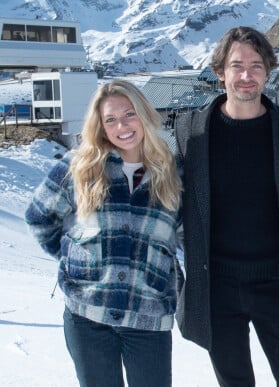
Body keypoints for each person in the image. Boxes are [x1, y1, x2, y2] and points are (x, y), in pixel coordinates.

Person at [173, 26, 279, 386]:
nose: (246, 75)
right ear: (220, 71)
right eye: (236, 65)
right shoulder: (191, 130)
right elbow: (171, 195)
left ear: (268, 70)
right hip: (217, 285)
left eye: (256, 65)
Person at [25, 79, 183, 387]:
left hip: (148, 319)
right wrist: (74, 258)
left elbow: (183, 236)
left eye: (129, 114)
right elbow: (38, 217)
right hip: (88, 318)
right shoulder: (79, 168)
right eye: (110, 119)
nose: (121, 125)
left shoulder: (172, 173)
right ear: (100, 126)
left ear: (144, 114)